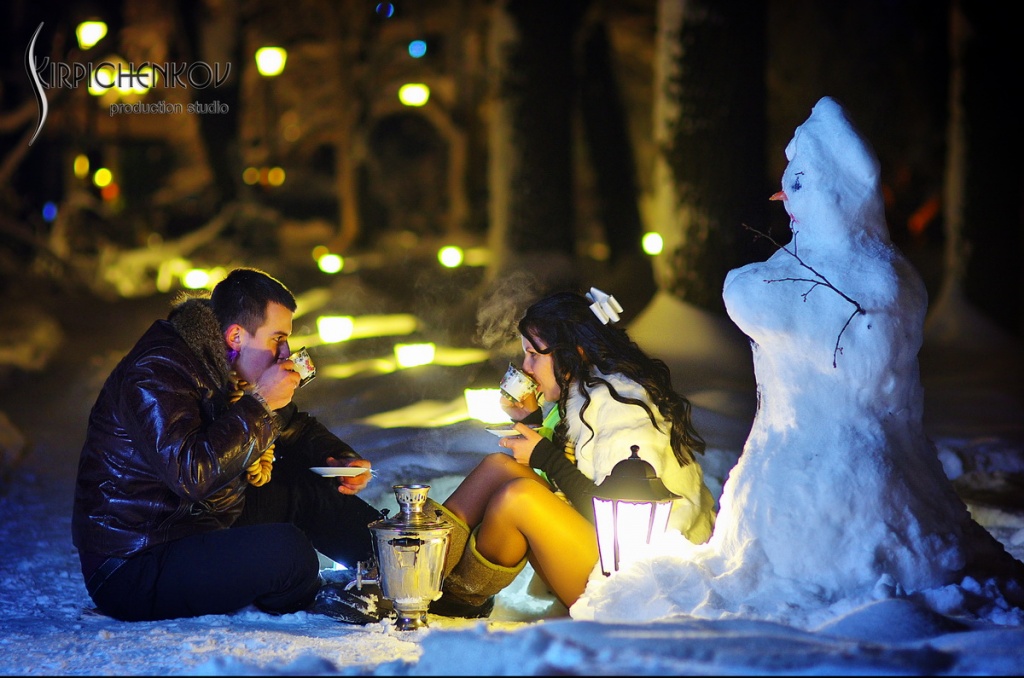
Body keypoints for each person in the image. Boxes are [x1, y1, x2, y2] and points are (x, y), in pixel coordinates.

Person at [72, 267, 384, 623]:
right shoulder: (157, 371)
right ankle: (323, 598)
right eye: (277, 339)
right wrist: (260, 403)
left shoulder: (221, 363)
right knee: (287, 553)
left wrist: (340, 458)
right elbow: (191, 474)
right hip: (135, 563)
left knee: (305, 489)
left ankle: (400, 564)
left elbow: (293, 427)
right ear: (236, 336)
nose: (285, 352)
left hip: (195, 524)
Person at [427, 287, 717, 618]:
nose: (526, 367)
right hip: (603, 555)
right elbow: (561, 488)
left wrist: (544, 457)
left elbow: (619, 518)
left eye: (534, 354)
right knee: (499, 467)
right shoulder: (582, 396)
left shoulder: (621, 408)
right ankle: (422, 574)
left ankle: (453, 597)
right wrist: (532, 422)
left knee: (518, 498)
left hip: (638, 582)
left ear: (573, 352)